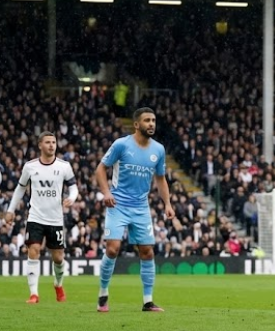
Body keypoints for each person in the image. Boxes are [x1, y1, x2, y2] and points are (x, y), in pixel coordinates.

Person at [94, 107, 174, 313]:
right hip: (118, 205)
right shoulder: (121, 144)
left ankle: (148, 301)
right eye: (147, 120)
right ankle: (103, 294)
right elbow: (100, 169)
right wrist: (106, 193)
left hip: (141, 207)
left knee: (147, 252)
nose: (151, 124)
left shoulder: (158, 150)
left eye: (154, 120)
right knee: (112, 248)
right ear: (137, 124)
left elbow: (160, 178)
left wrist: (167, 203)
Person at [4, 131, 78, 303]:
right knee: (33, 251)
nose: (52, 145)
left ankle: (58, 285)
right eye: (48, 142)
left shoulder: (64, 166)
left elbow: (74, 187)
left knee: (58, 257)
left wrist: (72, 198)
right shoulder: (30, 167)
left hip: (56, 219)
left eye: (54, 142)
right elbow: (20, 188)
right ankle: (34, 294)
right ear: (40, 145)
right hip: (35, 217)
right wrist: (11, 209)